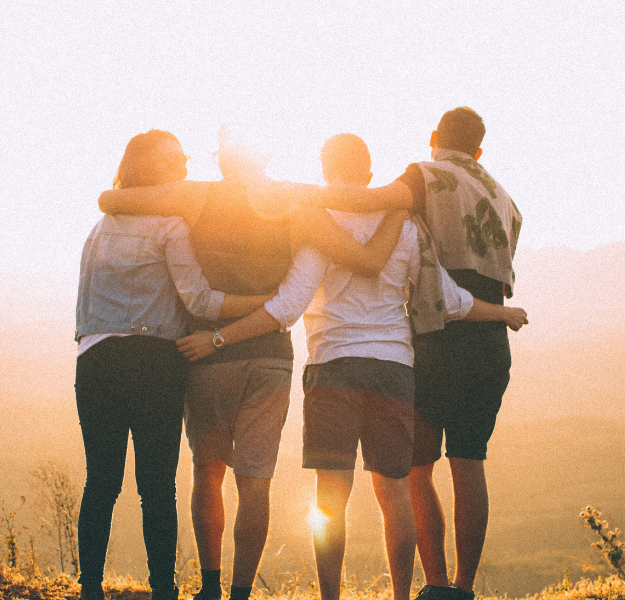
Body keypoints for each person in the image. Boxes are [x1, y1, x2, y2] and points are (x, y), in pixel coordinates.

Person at [177, 134, 527, 600]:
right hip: (394, 370)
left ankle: (330, 598)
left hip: (332, 368)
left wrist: (220, 336)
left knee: (331, 498)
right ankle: (401, 596)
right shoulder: (404, 225)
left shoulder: (320, 228)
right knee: (394, 494)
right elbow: (450, 300)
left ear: (325, 171)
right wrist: (502, 312)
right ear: (367, 174)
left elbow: (286, 308)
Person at [98, 123, 406, 600]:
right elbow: (362, 251)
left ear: (222, 159)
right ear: (265, 156)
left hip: (205, 356)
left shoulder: (195, 197)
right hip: (270, 358)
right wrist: (400, 199)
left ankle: (212, 587)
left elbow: (112, 202)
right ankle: (242, 590)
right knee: (255, 482)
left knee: (208, 472)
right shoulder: (296, 204)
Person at [308, 109, 523, 600]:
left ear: (433, 139)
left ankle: (436, 585)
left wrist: (296, 196)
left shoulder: (425, 175)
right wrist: (499, 313)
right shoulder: (505, 197)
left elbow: (367, 200)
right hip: (489, 336)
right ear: (479, 150)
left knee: (417, 470)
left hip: (435, 335)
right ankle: (463, 589)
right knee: (470, 462)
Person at [73, 130, 274, 600]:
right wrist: (266, 302)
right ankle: (163, 588)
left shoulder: (99, 227)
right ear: (146, 168)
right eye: (172, 160)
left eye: (183, 158)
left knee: (101, 480)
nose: (183, 167)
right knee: (156, 485)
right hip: (153, 361)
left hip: (95, 360)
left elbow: (83, 304)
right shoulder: (170, 227)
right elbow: (200, 300)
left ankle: (89, 589)